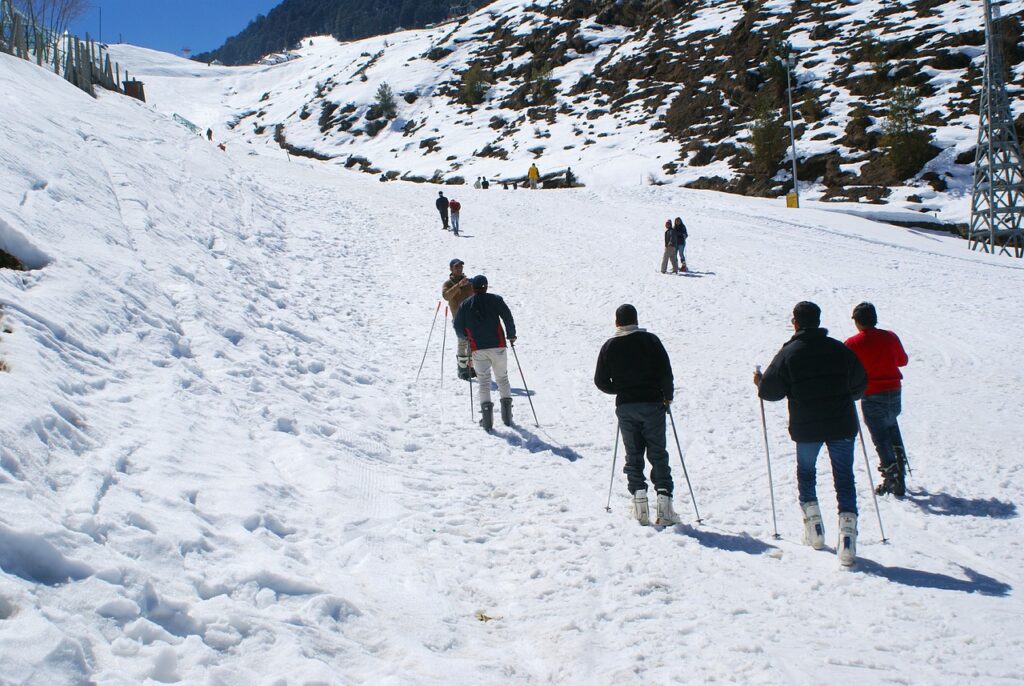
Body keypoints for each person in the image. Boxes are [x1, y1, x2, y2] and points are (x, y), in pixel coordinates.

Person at [755, 301, 868, 566]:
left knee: (807, 472)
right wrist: (846, 395)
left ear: (795, 322)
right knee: (844, 476)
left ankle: (814, 528)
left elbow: (770, 391)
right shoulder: (839, 349)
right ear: (818, 321)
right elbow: (860, 382)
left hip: (807, 426)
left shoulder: (789, 353)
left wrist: (759, 382)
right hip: (842, 422)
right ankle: (848, 539)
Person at [594, 304, 679, 526]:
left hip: (626, 406)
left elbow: (600, 381)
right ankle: (665, 506)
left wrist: (621, 389)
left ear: (616, 322)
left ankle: (640, 504)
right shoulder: (651, 341)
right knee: (657, 451)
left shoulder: (609, 346)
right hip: (653, 403)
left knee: (633, 453)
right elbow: (665, 372)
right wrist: (667, 396)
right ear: (636, 320)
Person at [844, 302, 909, 497]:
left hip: (871, 394)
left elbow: (847, 370)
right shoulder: (890, 337)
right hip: (894, 392)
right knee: (891, 425)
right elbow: (902, 361)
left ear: (858, 322)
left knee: (880, 437)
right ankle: (900, 465)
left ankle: (892, 477)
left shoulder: (853, 344)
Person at [453, 275, 517, 431]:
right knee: (502, 378)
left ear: (472, 288)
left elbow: (457, 326)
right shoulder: (496, 299)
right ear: (486, 286)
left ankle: (487, 421)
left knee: (484, 382)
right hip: (498, 346)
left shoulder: (465, 304)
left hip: (478, 348)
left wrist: (466, 337)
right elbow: (507, 317)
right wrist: (511, 334)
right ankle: (507, 417)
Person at [442, 259, 476, 381]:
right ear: (451, 269)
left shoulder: (468, 282)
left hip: (471, 317)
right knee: (462, 342)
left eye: (461, 267)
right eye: (456, 267)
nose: (459, 269)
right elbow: (446, 296)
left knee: (472, 342)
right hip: (458, 318)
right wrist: (458, 286)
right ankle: (462, 369)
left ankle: (471, 367)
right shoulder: (448, 283)